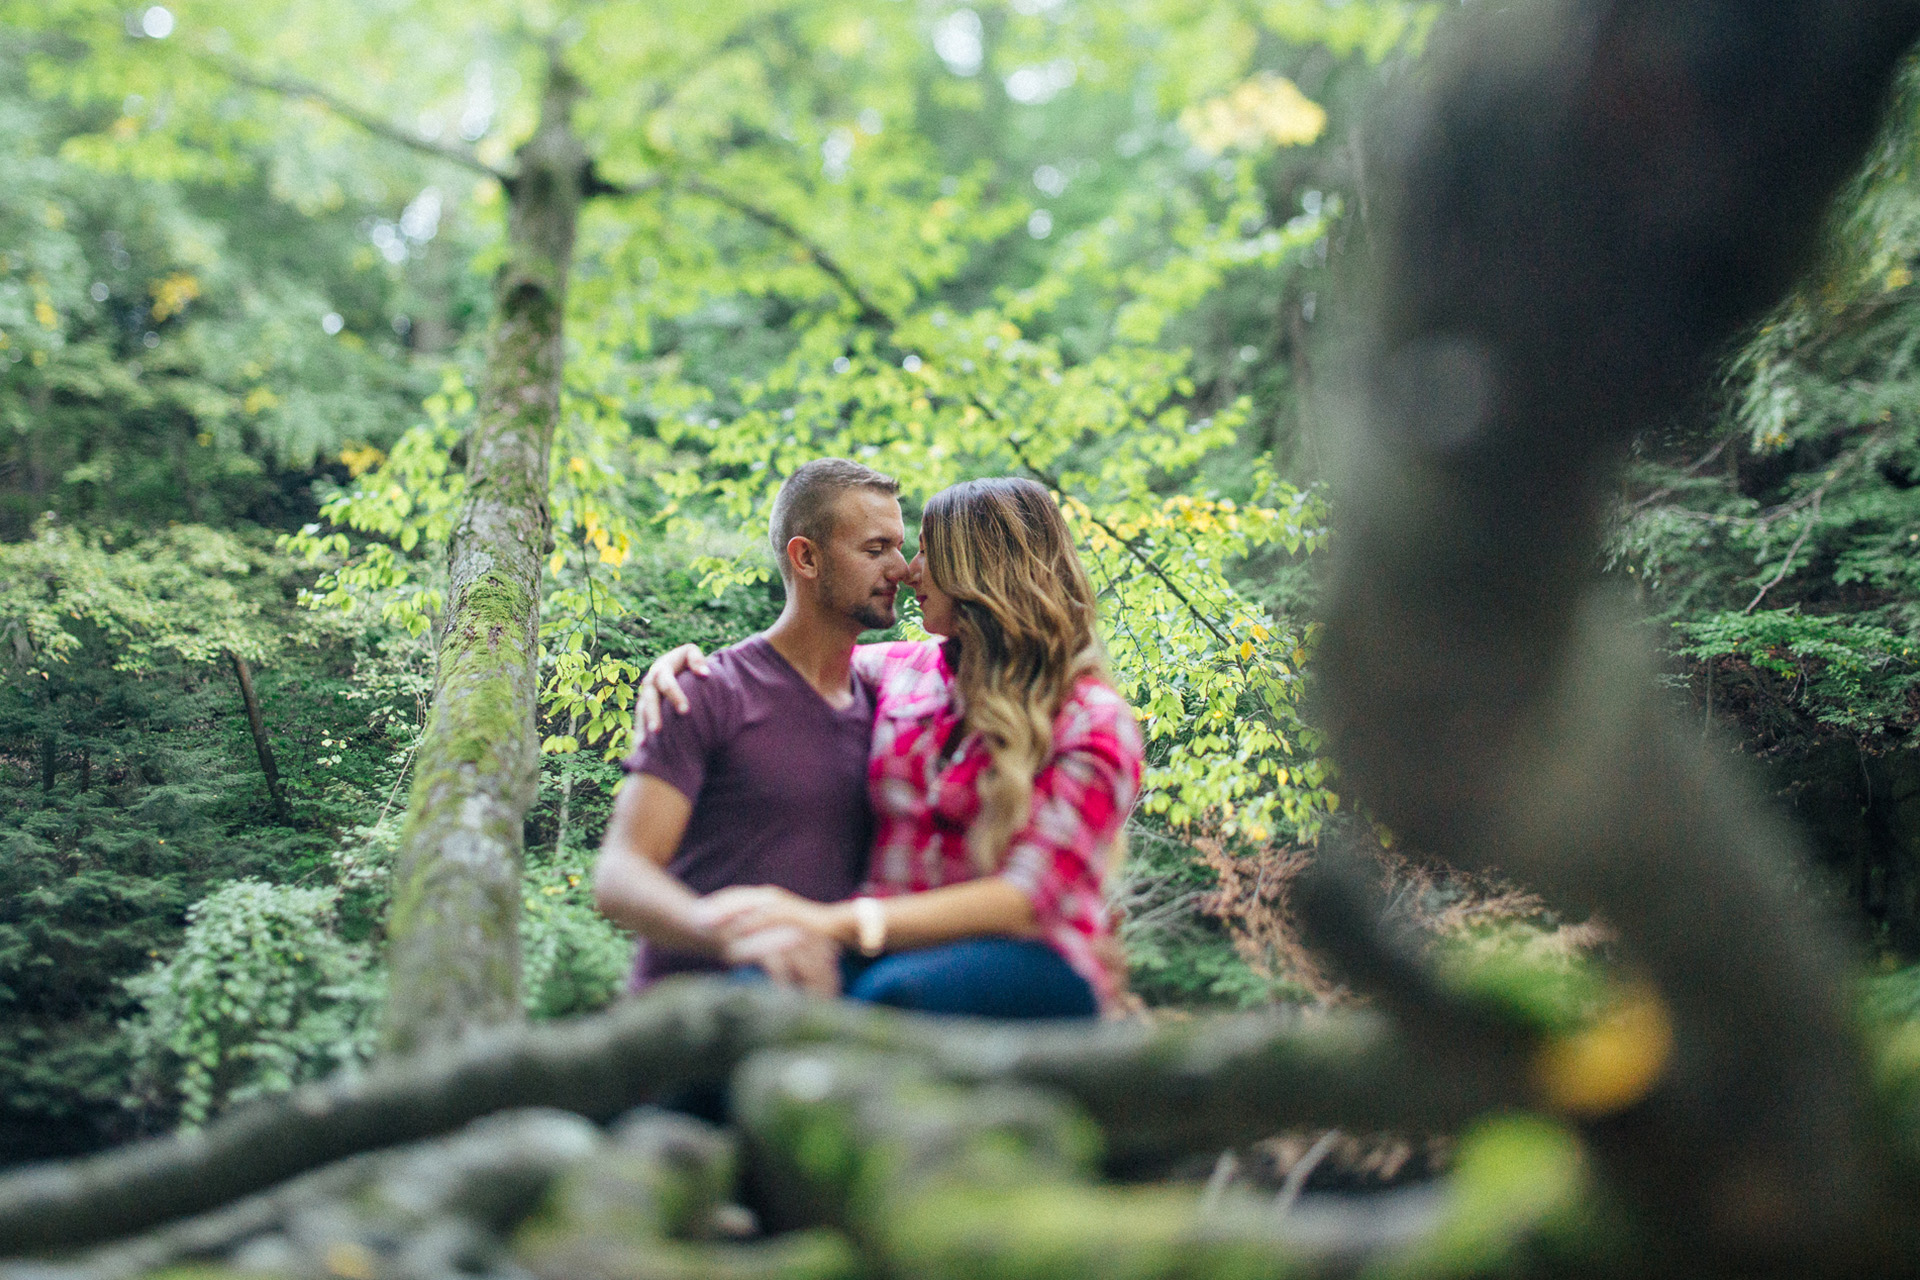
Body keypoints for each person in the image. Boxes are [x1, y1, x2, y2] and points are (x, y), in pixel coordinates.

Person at [633, 477, 1144, 1018]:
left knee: (894, 997)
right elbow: (787, 668)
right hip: (883, 950)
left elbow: (1023, 902)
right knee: (755, 993)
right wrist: (691, 669)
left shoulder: (1094, 719)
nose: (909, 569)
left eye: (928, 549)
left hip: (1030, 961)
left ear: (983, 566)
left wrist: (829, 922)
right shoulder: (903, 672)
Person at [591, 458, 909, 994]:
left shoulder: (888, 701)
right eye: (875, 550)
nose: (901, 567)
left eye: (899, 546)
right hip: (690, 1025)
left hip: (820, 1032)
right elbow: (619, 874)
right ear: (806, 557)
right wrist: (727, 935)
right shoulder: (706, 690)